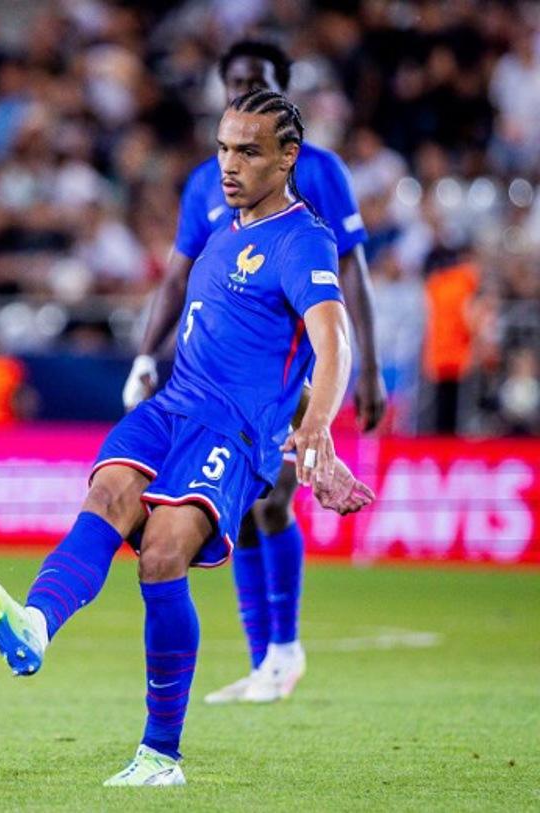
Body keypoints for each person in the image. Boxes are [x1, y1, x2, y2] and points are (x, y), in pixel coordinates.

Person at [0, 89, 367, 787]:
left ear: (288, 158)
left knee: (161, 553)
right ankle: (33, 626)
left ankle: (160, 754)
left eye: (248, 151)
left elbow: (335, 342)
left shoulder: (304, 240)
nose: (229, 165)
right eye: (222, 148)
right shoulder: (223, 232)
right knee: (107, 492)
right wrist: (148, 361)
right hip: (169, 407)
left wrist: (318, 428)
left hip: (231, 434)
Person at [120, 40, 387, 705]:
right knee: (241, 514)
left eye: (256, 81)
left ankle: (283, 648)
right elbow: (179, 274)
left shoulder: (318, 172)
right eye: (234, 81)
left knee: (269, 502)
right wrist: (145, 356)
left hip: (287, 371)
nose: (242, 90)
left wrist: (367, 370)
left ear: (282, 90)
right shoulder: (205, 182)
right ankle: (267, 656)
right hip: (211, 378)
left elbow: (346, 270)